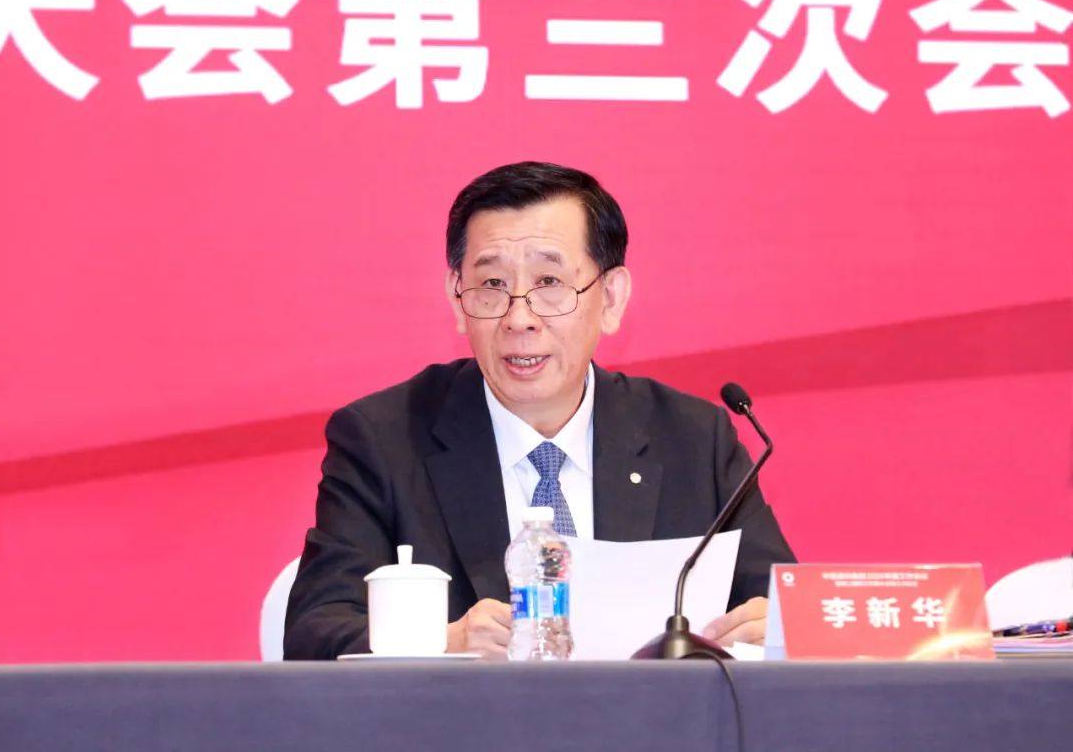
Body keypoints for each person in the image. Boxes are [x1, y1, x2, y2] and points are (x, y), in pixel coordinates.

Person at [284, 162, 795, 660]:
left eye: (550, 282)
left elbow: (789, 613)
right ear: (457, 299)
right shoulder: (384, 439)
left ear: (610, 298)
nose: (519, 318)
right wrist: (441, 643)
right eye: (492, 285)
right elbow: (315, 631)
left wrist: (773, 628)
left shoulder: (693, 439)